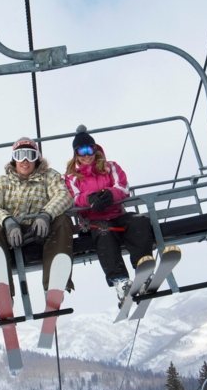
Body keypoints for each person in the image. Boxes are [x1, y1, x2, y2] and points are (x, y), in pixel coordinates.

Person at [0, 137, 74, 304]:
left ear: (36, 158)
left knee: (63, 221)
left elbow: (63, 196)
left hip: (43, 233)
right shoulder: (3, 182)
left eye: (30, 155)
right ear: (14, 158)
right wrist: (7, 221)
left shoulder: (49, 176)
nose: (25, 161)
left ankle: (55, 285)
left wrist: (46, 215)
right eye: (20, 155)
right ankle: (2, 294)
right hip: (13, 237)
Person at [65, 125, 153, 302]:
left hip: (117, 213)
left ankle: (142, 268)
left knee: (139, 222)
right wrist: (90, 199)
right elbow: (73, 198)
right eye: (82, 151)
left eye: (90, 149)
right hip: (94, 220)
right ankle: (120, 280)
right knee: (104, 235)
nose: (87, 155)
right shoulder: (71, 176)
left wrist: (111, 194)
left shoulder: (110, 167)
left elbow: (123, 186)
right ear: (76, 154)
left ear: (95, 149)